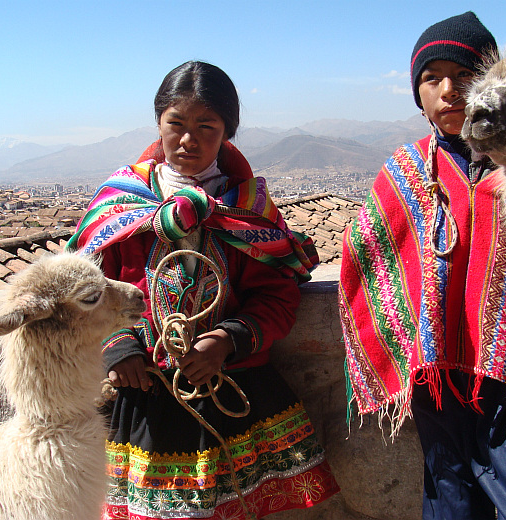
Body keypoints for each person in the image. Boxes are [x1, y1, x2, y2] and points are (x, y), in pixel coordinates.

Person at [69, 61, 339, 520]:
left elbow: (278, 295)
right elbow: (86, 289)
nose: (188, 139)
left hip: (228, 392)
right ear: (159, 124)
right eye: (176, 124)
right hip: (146, 398)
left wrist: (228, 338)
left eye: (205, 127)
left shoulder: (249, 209)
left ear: (227, 133)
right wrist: (118, 346)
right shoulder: (120, 206)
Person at [339, 12, 506, 520]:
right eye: (432, 78)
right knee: (449, 497)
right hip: (438, 380)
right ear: (417, 94)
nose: (449, 90)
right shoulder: (405, 172)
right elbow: (368, 260)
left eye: (465, 76)